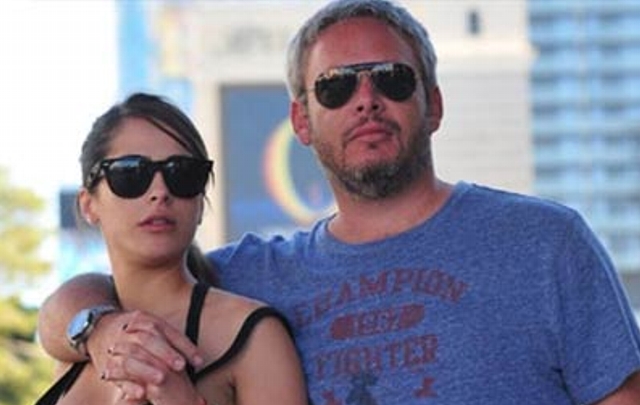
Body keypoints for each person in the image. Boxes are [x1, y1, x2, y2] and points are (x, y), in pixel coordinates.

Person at [38, 1, 640, 404]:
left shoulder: (544, 240)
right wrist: (100, 326)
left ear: (433, 104)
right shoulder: (252, 276)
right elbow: (87, 298)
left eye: (392, 79)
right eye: (336, 86)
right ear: (301, 121)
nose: (366, 99)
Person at [34, 92, 307, 405]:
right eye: (131, 173)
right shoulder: (80, 342)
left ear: (201, 204)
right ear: (88, 204)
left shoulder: (253, 335)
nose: (160, 192)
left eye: (183, 173)